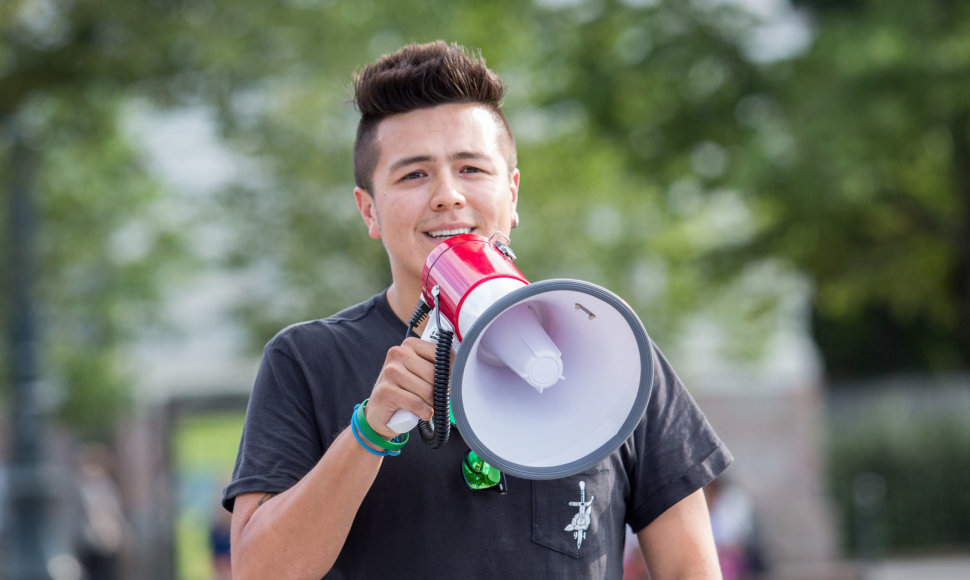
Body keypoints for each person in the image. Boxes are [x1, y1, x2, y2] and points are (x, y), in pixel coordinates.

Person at [222, 40, 733, 579]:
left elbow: (689, 569)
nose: (447, 195)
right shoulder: (308, 360)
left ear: (512, 195)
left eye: (471, 168)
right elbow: (259, 572)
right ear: (368, 210)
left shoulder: (614, 353)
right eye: (413, 175)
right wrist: (369, 433)